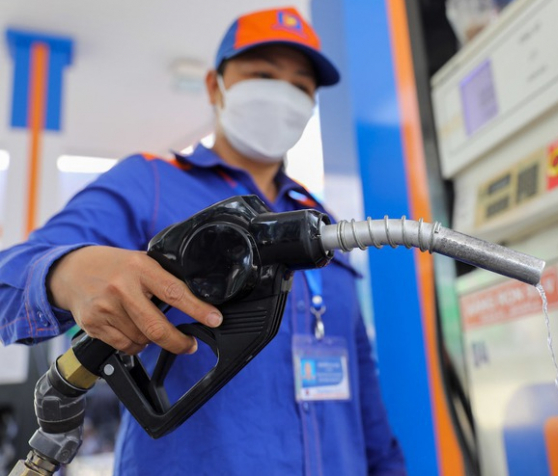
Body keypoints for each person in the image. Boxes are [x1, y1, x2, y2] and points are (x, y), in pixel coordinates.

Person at [0, 7, 407, 475]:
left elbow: (366, 403)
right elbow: (10, 279)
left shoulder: (325, 224)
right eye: (263, 75)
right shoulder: (150, 184)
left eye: (300, 86)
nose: (283, 95)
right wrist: (69, 271)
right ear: (215, 86)